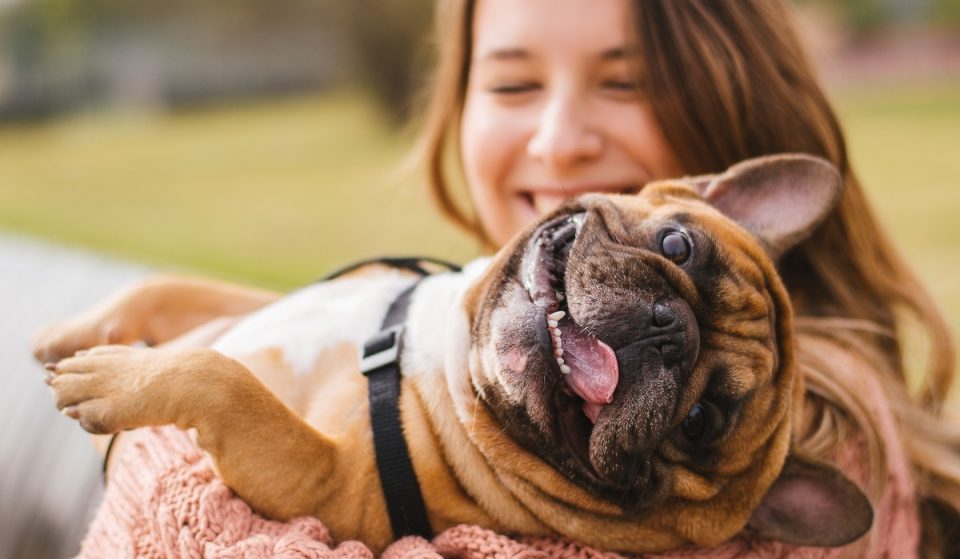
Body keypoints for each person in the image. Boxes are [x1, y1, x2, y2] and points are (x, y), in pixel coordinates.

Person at [34, 0, 958, 556]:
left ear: (734, 102)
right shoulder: (472, 316)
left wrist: (150, 442)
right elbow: (322, 326)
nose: (558, 140)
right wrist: (173, 308)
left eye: (622, 83)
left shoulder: (825, 442)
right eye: (514, 86)